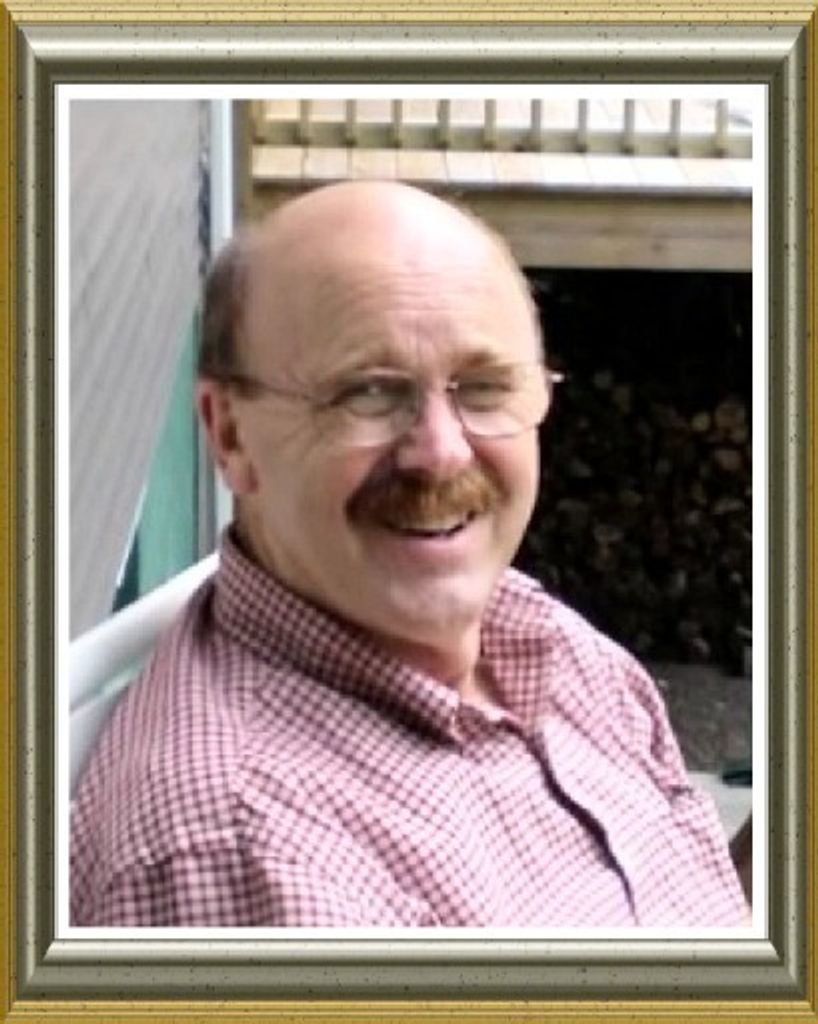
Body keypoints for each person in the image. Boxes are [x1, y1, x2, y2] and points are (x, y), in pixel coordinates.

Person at [71, 181, 749, 927]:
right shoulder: (248, 858)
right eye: (368, 394)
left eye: (485, 388)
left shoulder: (541, 642)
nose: (441, 453)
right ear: (230, 434)